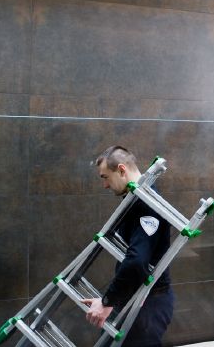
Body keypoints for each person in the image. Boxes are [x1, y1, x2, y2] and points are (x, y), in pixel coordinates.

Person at [80, 145, 175, 347]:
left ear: (122, 170)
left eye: (105, 177)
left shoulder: (147, 205)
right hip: (134, 299)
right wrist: (111, 299)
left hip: (147, 305)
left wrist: (107, 302)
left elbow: (136, 261)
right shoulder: (136, 199)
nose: (105, 185)